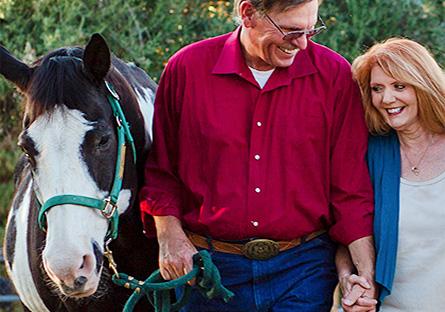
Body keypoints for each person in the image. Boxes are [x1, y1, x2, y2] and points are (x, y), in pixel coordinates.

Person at [140, 0, 376, 310]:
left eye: (310, 30)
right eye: (291, 31)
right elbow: (162, 172)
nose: (302, 44)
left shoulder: (334, 76)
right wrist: (169, 237)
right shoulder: (186, 68)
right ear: (248, 13)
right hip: (209, 272)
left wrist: (365, 277)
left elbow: (350, 189)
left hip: (303, 270)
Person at [337, 38, 445, 311]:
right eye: (377, 88)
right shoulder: (370, 154)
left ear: (424, 85)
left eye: (399, 86)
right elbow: (349, 234)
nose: (387, 99)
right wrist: (348, 279)